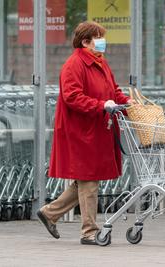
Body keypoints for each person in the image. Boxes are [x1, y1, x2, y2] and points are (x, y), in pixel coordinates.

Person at [37, 21, 133, 245]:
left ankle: (50, 213)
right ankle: (89, 232)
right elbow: (72, 96)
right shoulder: (74, 65)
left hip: (97, 128)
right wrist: (101, 105)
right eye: (98, 38)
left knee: (87, 179)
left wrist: (128, 103)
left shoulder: (100, 63)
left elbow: (113, 90)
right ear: (85, 41)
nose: (103, 42)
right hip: (80, 131)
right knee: (89, 179)